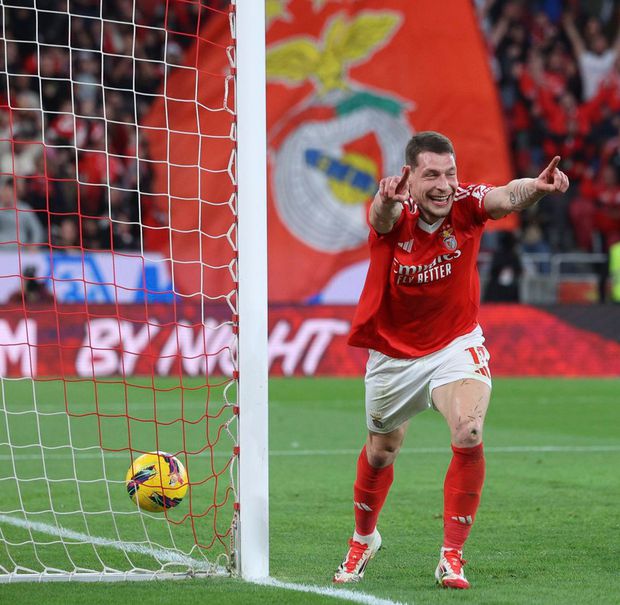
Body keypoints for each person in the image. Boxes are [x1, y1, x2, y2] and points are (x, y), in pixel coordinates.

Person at [333, 131, 569, 589]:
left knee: (469, 430)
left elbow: (505, 196)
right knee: (381, 452)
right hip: (393, 354)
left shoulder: (466, 204)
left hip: (454, 344)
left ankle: (452, 555)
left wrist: (536, 188)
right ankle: (363, 539)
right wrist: (385, 200)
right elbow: (380, 217)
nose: (444, 185)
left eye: (450, 173)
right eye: (431, 175)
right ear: (410, 178)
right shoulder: (396, 212)